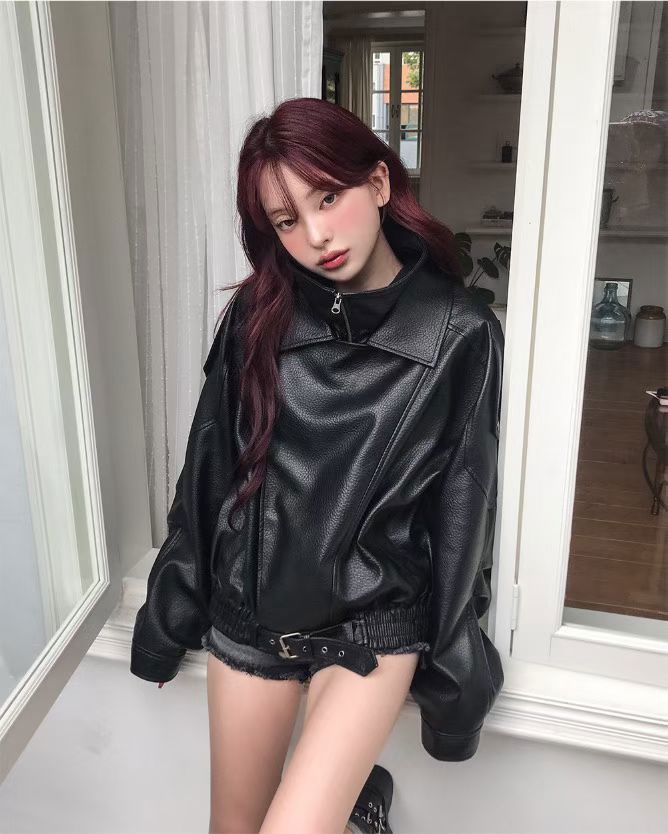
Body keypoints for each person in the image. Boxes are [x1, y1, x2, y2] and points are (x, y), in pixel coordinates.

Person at [130, 96, 505, 834]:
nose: (316, 236)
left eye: (327, 197)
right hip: (252, 613)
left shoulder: (460, 334)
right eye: (286, 220)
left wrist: (454, 681)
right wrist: (168, 619)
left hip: (372, 625)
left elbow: (464, 510)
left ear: (378, 182)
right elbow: (209, 471)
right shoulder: (257, 317)